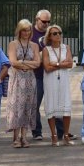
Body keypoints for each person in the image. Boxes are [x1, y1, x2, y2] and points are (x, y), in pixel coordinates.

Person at [7, 19, 41, 148]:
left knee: (28, 107)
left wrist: (22, 62)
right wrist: (27, 63)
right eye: (24, 30)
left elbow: (38, 63)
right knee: (17, 107)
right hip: (17, 79)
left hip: (30, 80)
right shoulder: (13, 44)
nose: (26, 33)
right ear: (19, 31)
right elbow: (13, 62)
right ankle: (16, 138)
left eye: (28, 30)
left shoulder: (34, 45)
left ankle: (24, 137)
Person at [41, 24, 74, 145]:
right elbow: (47, 68)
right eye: (54, 33)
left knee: (66, 106)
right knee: (51, 105)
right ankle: (54, 136)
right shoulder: (46, 50)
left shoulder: (66, 47)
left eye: (59, 33)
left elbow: (70, 64)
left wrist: (56, 64)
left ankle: (66, 135)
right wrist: (61, 64)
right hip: (50, 81)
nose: (58, 35)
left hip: (64, 80)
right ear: (49, 36)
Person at [30, 9, 52, 141]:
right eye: (44, 21)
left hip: (51, 74)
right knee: (35, 104)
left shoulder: (52, 32)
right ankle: (37, 131)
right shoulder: (29, 33)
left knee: (56, 103)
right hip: (36, 75)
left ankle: (61, 131)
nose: (46, 24)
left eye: (48, 21)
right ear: (37, 19)